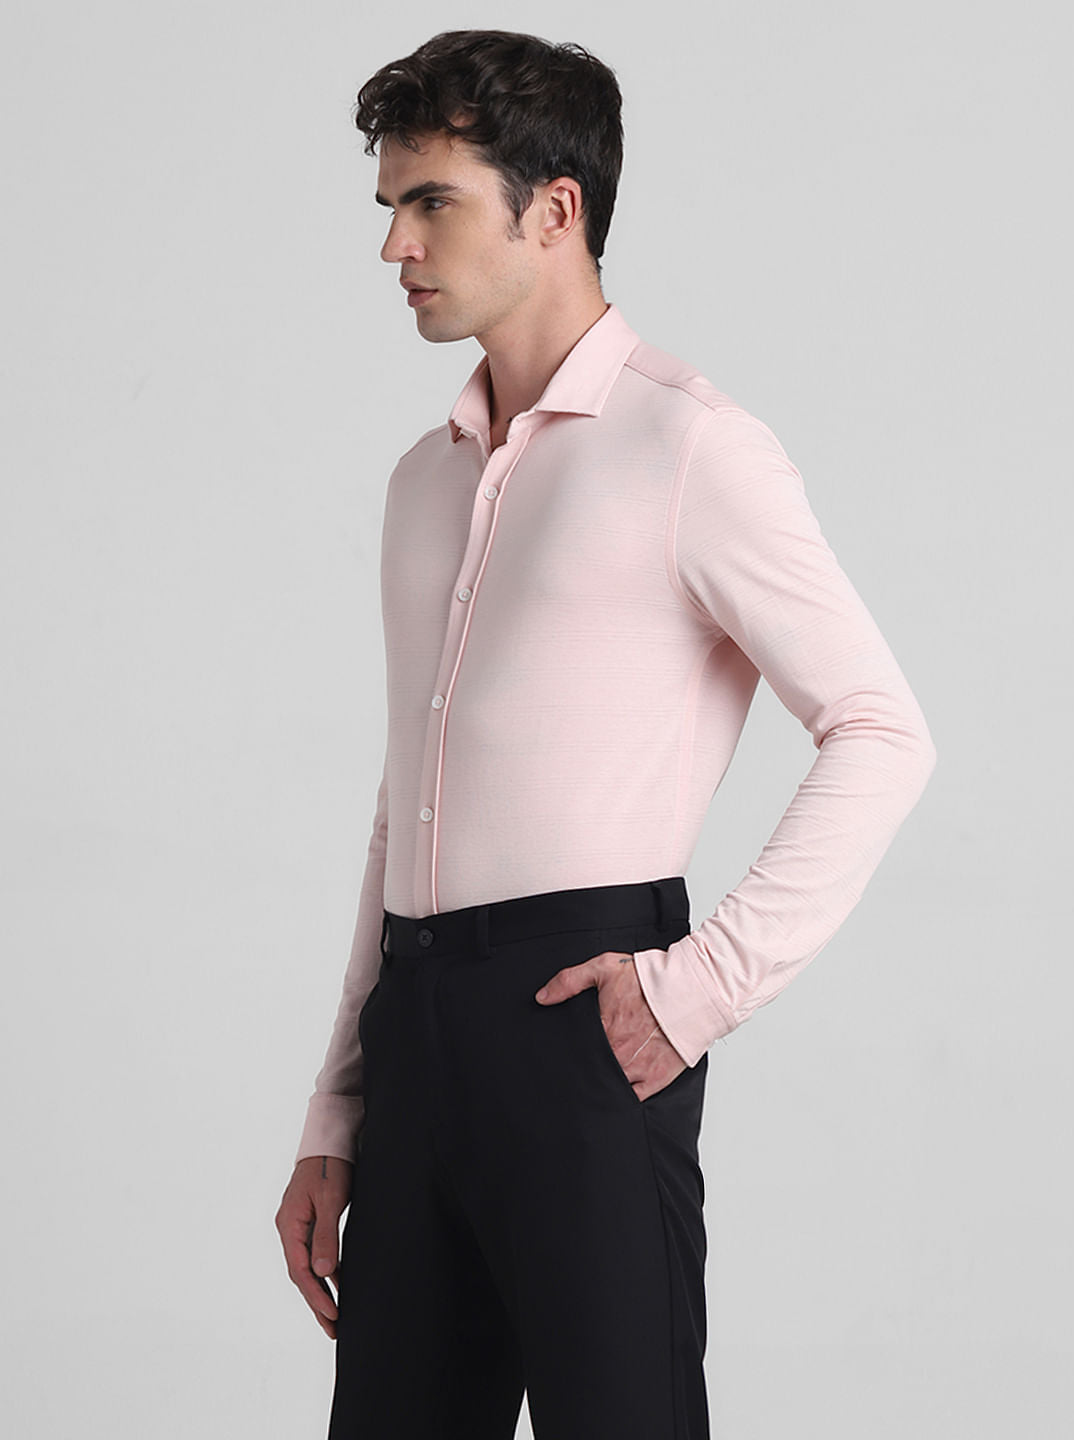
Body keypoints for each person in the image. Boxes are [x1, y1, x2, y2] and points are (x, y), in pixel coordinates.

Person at [275, 28, 936, 1440]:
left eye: (431, 200)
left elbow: (882, 728)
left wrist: (698, 992)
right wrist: (339, 1111)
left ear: (555, 209)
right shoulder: (422, 482)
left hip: (584, 1018)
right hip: (416, 1026)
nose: (394, 245)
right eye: (389, 204)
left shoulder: (689, 446)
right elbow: (406, 806)